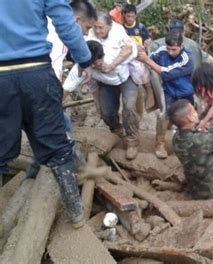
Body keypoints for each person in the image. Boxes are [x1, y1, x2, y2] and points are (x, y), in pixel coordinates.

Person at [0, 0, 93, 228]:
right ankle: (76, 212)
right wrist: (85, 59)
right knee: (57, 147)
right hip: (37, 73)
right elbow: (65, 21)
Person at [87, 12, 140, 160]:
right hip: (105, 81)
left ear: (110, 26)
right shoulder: (89, 34)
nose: (98, 31)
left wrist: (112, 65)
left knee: (129, 107)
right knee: (107, 112)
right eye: (95, 27)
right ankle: (117, 131)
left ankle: (132, 140)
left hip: (125, 76)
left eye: (101, 28)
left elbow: (128, 49)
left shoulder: (118, 31)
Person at [138, 31, 194, 159]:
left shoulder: (187, 58)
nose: (170, 52)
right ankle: (159, 144)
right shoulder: (161, 51)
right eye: (168, 48)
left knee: (187, 118)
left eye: (174, 49)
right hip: (169, 91)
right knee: (164, 115)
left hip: (185, 93)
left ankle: (187, 144)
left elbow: (167, 73)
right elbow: (148, 59)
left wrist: (147, 60)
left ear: (181, 46)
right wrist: (142, 52)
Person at [170, 99, 213, 199]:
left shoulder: (176, 138)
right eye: (193, 111)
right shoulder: (202, 141)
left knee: (209, 153)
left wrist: (208, 108)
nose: (196, 112)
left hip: (194, 190)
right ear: (190, 117)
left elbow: (195, 124)